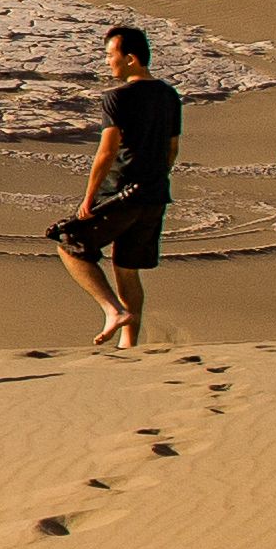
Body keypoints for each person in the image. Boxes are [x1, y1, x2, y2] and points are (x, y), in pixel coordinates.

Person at [50, 22, 183, 350]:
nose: (108, 61)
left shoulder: (117, 98)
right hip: (155, 196)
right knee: (126, 269)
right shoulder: (169, 95)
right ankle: (128, 345)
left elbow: (107, 152)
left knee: (69, 244)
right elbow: (172, 149)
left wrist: (89, 197)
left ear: (131, 59)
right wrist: (154, 178)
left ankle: (112, 309)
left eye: (112, 55)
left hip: (120, 193)